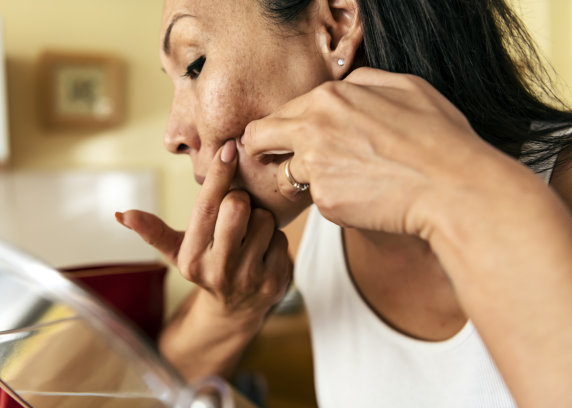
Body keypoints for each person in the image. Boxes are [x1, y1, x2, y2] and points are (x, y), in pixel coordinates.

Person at [115, 0, 572, 406]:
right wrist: (230, 310)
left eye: (194, 65)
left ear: (334, 29)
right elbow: (149, 397)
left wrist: (450, 189)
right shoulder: (306, 227)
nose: (172, 135)